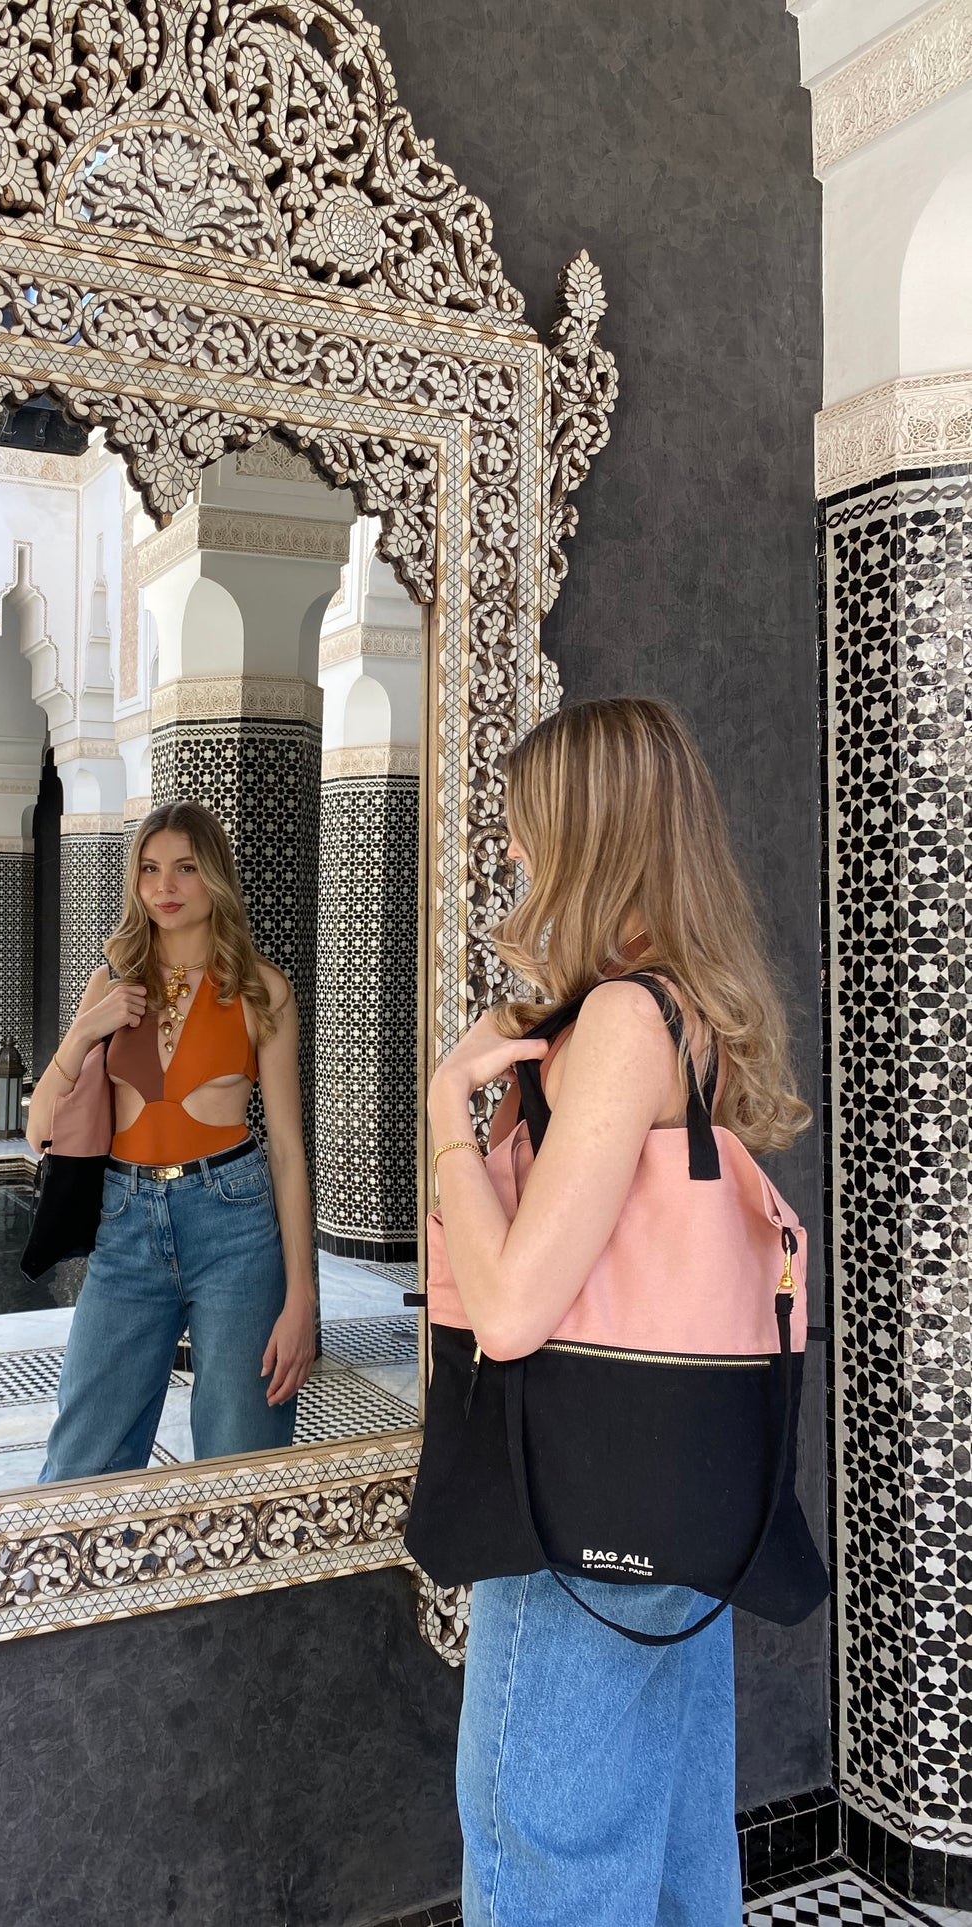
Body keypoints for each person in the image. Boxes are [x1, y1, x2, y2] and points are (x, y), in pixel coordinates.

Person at [427, 698, 811, 1927]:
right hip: (675, 1497)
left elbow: (512, 1311)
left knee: (538, 1851)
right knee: (668, 1851)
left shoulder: (621, 1019)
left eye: (528, 832)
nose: (516, 859)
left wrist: (446, 1112)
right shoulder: (685, 1011)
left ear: (588, 836)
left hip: (576, 1507)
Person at [29, 799, 316, 1481]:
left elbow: (285, 1150)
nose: (165, 886)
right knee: (80, 1462)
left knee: (241, 1455)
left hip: (235, 1224)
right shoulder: (110, 981)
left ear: (213, 876)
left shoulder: (261, 989)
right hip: (125, 1225)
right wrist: (84, 1030)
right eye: (150, 869)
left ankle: (238, 1594)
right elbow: (40, 1125)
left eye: (185, 868)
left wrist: (302, 1296)